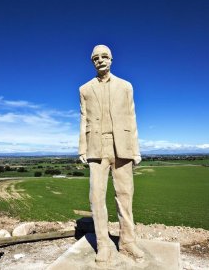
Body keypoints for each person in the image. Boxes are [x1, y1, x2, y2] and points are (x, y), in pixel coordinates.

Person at [78, 44, 144, 265]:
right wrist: (82, 148)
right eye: (96, 58)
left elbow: (132, 119)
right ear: (92, 62)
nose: (100, 60)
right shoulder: (85, 89)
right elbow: (83, 119)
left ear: (112, 59)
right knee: (96, 198)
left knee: (125, 197)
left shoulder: (126, 87)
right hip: (97, 147)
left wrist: (135, 150)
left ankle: (127, 243)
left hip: (122, 146)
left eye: (104, 56)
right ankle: (103, 245)